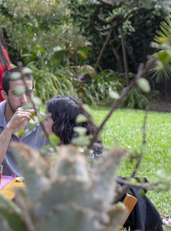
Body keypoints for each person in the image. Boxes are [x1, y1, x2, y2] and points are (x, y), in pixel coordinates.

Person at [44, 95, 163, 231]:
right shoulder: (87, 145)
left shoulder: (75, 155)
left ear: (59, 123)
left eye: (47, 119)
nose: (43, 122)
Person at [0, 68, 46, 176]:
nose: (24, 100)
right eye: (17, 93)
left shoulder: (44, 123)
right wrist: (9, 127)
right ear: (4, 95)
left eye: (28, 93)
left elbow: (47, 172)